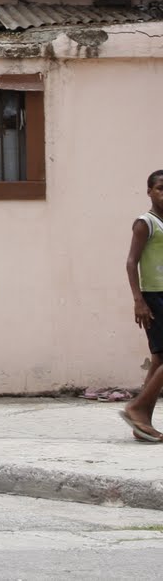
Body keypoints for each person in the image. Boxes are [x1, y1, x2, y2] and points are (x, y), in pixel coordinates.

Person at [121, 170, 163, 442]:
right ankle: (136, 408)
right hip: (155, 297)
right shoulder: (145, 223)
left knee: (159, 359)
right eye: (160, 188)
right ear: (149, 192)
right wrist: (138, 300)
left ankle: (141, 421)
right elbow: (131, 262)